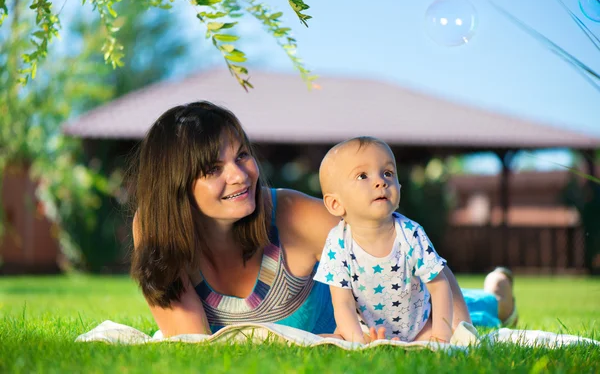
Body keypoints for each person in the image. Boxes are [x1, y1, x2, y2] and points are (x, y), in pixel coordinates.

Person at [129, 100, 517, 339]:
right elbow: (192, 344)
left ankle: (498, 300)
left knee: (475, 316)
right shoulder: (157, 230)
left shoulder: (295, 216)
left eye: (242, 155)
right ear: (175, 186)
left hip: (378, 310)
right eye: (214, 168)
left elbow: (412, 254)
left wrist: (454, 336)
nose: (240, 175)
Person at [314, 136, 453, 343]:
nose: (381, 181)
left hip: (419, 328)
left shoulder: (410, 233)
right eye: (362, 176)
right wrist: (357, 340)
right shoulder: (338, 242)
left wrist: (440, 336)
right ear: (336, 204)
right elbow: (342, 302)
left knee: (436, 342)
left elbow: (440, 285)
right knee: (328, 341)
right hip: (365, 332)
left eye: (388, 173)